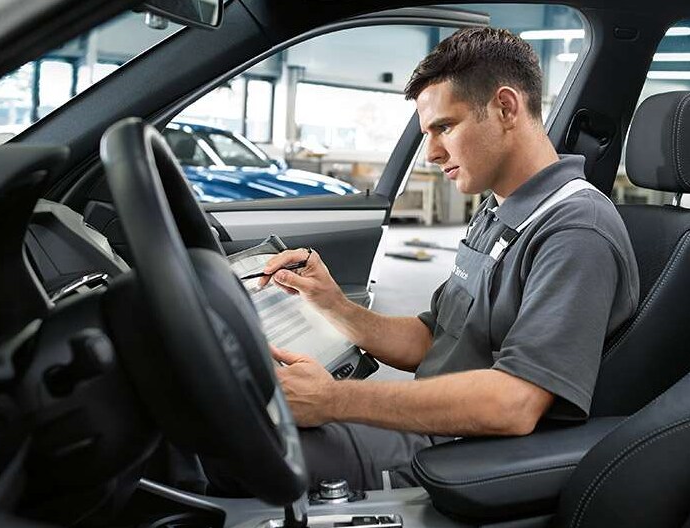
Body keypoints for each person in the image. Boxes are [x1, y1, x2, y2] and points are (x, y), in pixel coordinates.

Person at [212, 27, 639, 493]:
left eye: (445, 127)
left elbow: (513, 404)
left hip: (459, 454)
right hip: (428, 427)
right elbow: (434, 338)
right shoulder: (502, 207)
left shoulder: (575, 229)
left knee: (231, 450)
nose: (432, 153)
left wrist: (333, 399)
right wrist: (332, 304)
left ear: (505, 107)